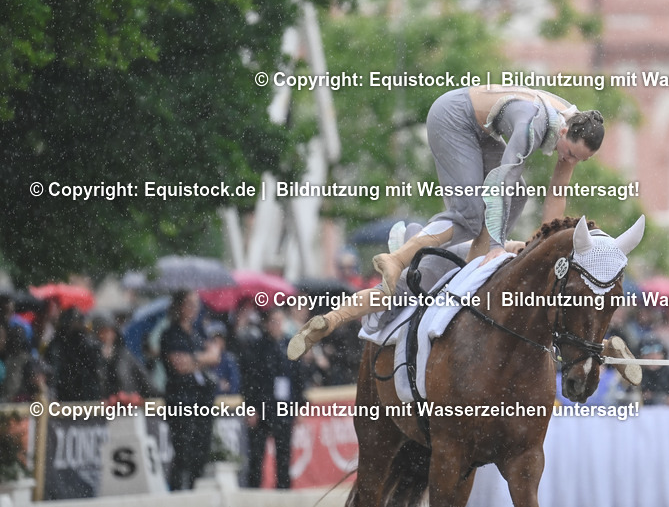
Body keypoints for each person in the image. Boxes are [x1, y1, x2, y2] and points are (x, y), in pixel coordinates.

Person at [288, 86, 639, 384]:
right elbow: (499, 182)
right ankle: (398, 258)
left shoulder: (573, 128)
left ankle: (474, 258)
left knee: (518, 196)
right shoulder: (532, 127)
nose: (570, 160)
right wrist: (501, 246)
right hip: (452, 117)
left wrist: (544, 248)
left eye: (580, 160)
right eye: (570, 153)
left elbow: (555, 199)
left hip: (481, 129)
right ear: (563, 133)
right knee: (473, 212)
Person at [160, 291, 221, 490]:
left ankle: (195, 493)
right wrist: (201, 359)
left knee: (201, 452)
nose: (193, 310)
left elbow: (215, 356)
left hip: (201, 398)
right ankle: (179, 495)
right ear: (179, 307)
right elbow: (179, 365)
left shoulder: (198, 333)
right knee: (183, 453)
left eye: (196, 305)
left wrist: (194, 359)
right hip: (181, 399)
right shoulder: (170, 334)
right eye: (189, 304)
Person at [242, 309, 305, 489]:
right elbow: (250, 380)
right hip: (262, 407)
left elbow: (299, 378)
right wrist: (251, 407)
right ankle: (253, 494)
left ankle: (284, 492)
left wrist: (300, 406)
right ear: (267, 324)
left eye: (280, 321)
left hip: (284, 408)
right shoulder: (257, 347)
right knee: (256, 456)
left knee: (284, 456)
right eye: (274, 321)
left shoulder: (290, 345)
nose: (277, 326)